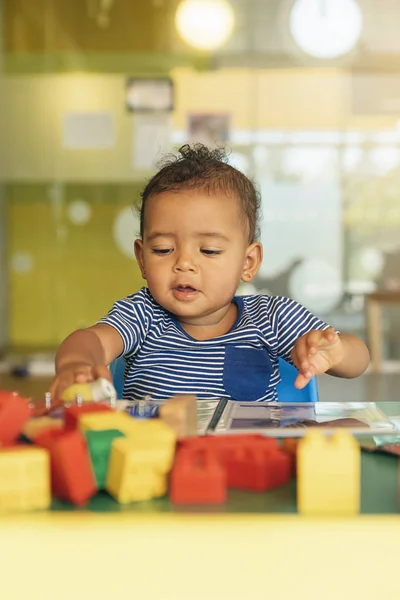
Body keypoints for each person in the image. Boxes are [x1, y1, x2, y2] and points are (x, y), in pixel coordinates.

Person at [50, 144, 370, 402]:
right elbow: (90, 340)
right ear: (142, 258)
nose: (185, 264)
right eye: (163, 250)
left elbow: (359, 359)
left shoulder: (272, 318)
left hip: (248, 464)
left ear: (248, 262)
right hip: (160, 465)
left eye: (209, 251)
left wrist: (336, 351)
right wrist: (76, 363)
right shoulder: (140, 315)